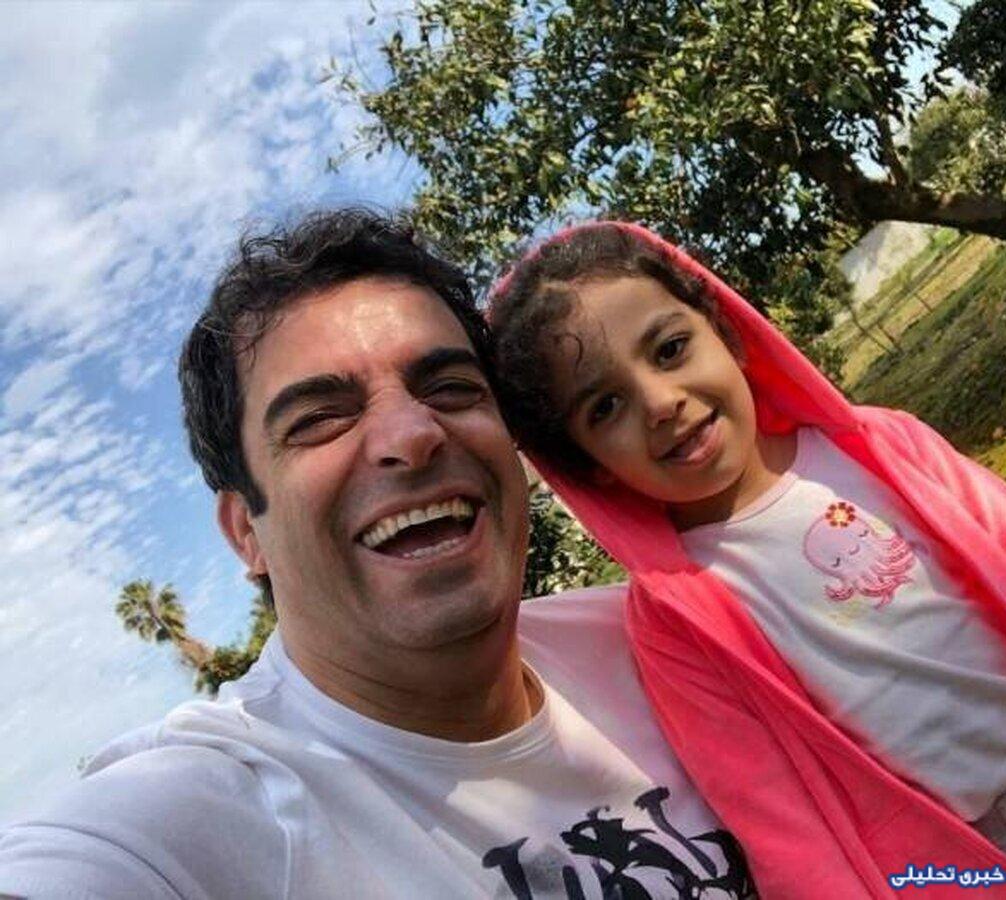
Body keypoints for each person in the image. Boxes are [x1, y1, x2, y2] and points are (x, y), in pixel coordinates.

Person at [0, 210, 757, 899]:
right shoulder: (204, 815)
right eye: (319, 419)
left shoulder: (656, 644)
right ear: (246, 533)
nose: (412, 435)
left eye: (450, 387)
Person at [487, 222, 1006, 897]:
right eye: (605, 407)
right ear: (590, 466)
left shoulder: (884, 450)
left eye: (670, 349)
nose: (660, 402)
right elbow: (775, 817)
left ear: (726, 334)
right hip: (971, 863)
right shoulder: (673, 624)